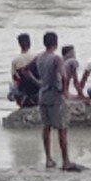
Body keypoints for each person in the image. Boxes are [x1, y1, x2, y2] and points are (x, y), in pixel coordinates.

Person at [29, 32, 81, 171]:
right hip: (55, 96)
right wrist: (64, 91)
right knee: (62, 129)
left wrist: (39, 83)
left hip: (43, 95)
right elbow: (63, 75)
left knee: (46, 128)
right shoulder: (56, 58)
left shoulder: (39, 57)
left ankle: (48, 159)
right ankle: (65, 161)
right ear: (56, 43)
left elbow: (25, 70)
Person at [9, 33, 38, 107]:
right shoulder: (36, 57)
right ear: (30, 43)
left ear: (19, 44)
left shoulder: (16, 60)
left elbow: (15, 78)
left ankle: (21, 102)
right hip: (36, 86)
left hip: (24, 88)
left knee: (12, 85)